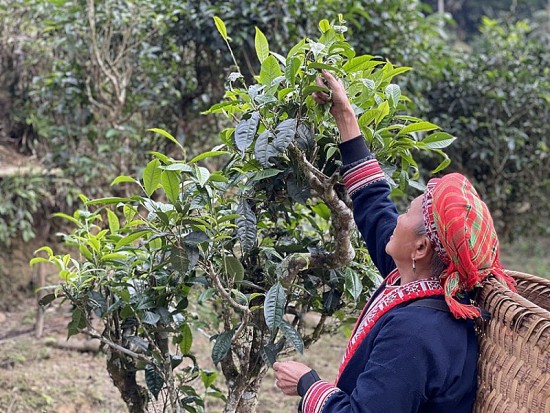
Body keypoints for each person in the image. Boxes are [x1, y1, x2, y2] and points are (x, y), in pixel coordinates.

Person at [272, 71, 516, 413]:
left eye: (407, 213)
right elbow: (374, 203)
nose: (396, 218)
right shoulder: (419, 282)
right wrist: (345, 116)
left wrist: (308, 384)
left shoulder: (415, 333)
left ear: (419, 248)